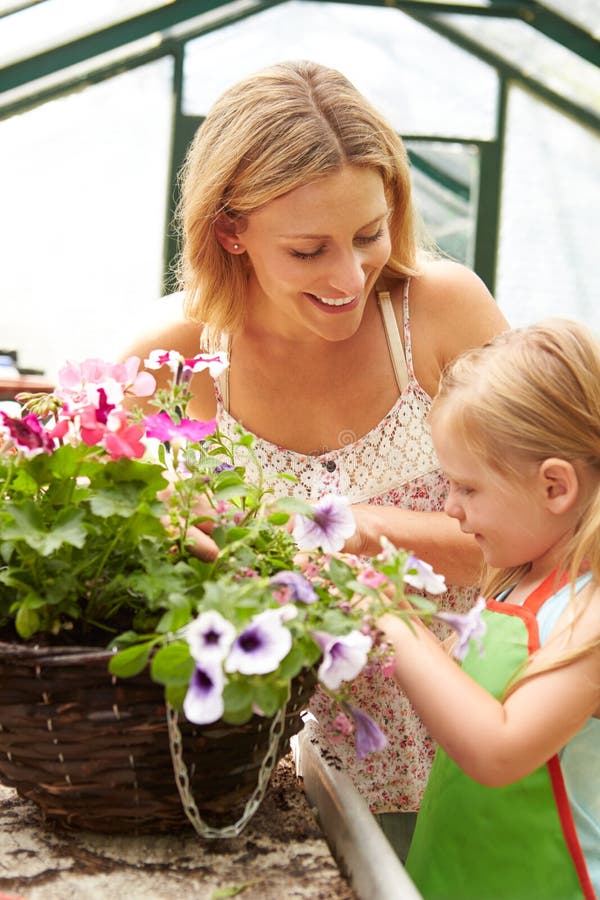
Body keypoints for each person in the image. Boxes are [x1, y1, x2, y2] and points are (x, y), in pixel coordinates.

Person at [120, 59, 508, 853]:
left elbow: (551, 534)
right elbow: (120, 571)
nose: (349, 275)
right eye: (308, 251)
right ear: (232, 231)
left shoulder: (439, 312)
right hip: (242, 767)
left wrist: (359, 526)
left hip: (467, 751)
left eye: (370, 234)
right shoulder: (173, 358)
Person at [379, 318, 600, 897]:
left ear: (556, 487)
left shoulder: (590, 611)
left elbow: (500, 751)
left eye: (468, 488)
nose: (450, 507)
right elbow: (454, 687)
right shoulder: (514, 582)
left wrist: (392, 619)